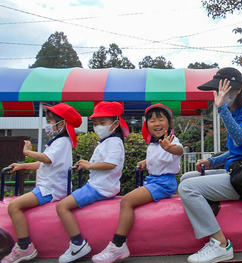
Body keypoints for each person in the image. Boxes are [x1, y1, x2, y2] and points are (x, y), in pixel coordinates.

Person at [178, 67, 242, 263]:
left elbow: (239, 138)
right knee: (186, 178)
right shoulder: (237, 111)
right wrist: (212, 162)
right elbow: (238, 151)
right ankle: (211, 215)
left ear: (236, 91)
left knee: (187, 188)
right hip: (238, 170)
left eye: (221, 91)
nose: (217, 96)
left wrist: (221, 109)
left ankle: (220, 243)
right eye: (216, 92)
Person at [91, 103, 184, 263]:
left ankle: (118, 245)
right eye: (152, 120)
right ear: (147, 124)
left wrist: (170, 148)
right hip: (154, 181)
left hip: (163, 183)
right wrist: (145, 162)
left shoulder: (171, 140)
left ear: (169, 123)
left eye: (160, 119)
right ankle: (119, 246)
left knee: (127, 201)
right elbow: (158, 159)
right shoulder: (154, 143)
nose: (156, 123)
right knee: (128, 199)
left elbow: (179, 150)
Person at [1, 103, 82, 263]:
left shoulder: (62, 142)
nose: (48, 125)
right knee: (16, 204)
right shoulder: (57, 142)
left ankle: (25, 247)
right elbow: (44, 163)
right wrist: (22, 165)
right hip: (47, 187)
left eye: (51, 121)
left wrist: (27, 152)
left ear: (63, 123)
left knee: (14, 206)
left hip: (50, 190)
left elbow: (46, 159)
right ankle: (24, 246)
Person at [56, 101, 129, 263]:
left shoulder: (114, 142)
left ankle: (77, 244)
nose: (98, 127)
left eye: (102, 123)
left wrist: (89, 165)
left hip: (99, 188)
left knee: (62, 206)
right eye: (95, 123)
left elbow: (111, 164)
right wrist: (87, 165)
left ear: (115, 124)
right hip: (99, 186)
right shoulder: (108, 141)